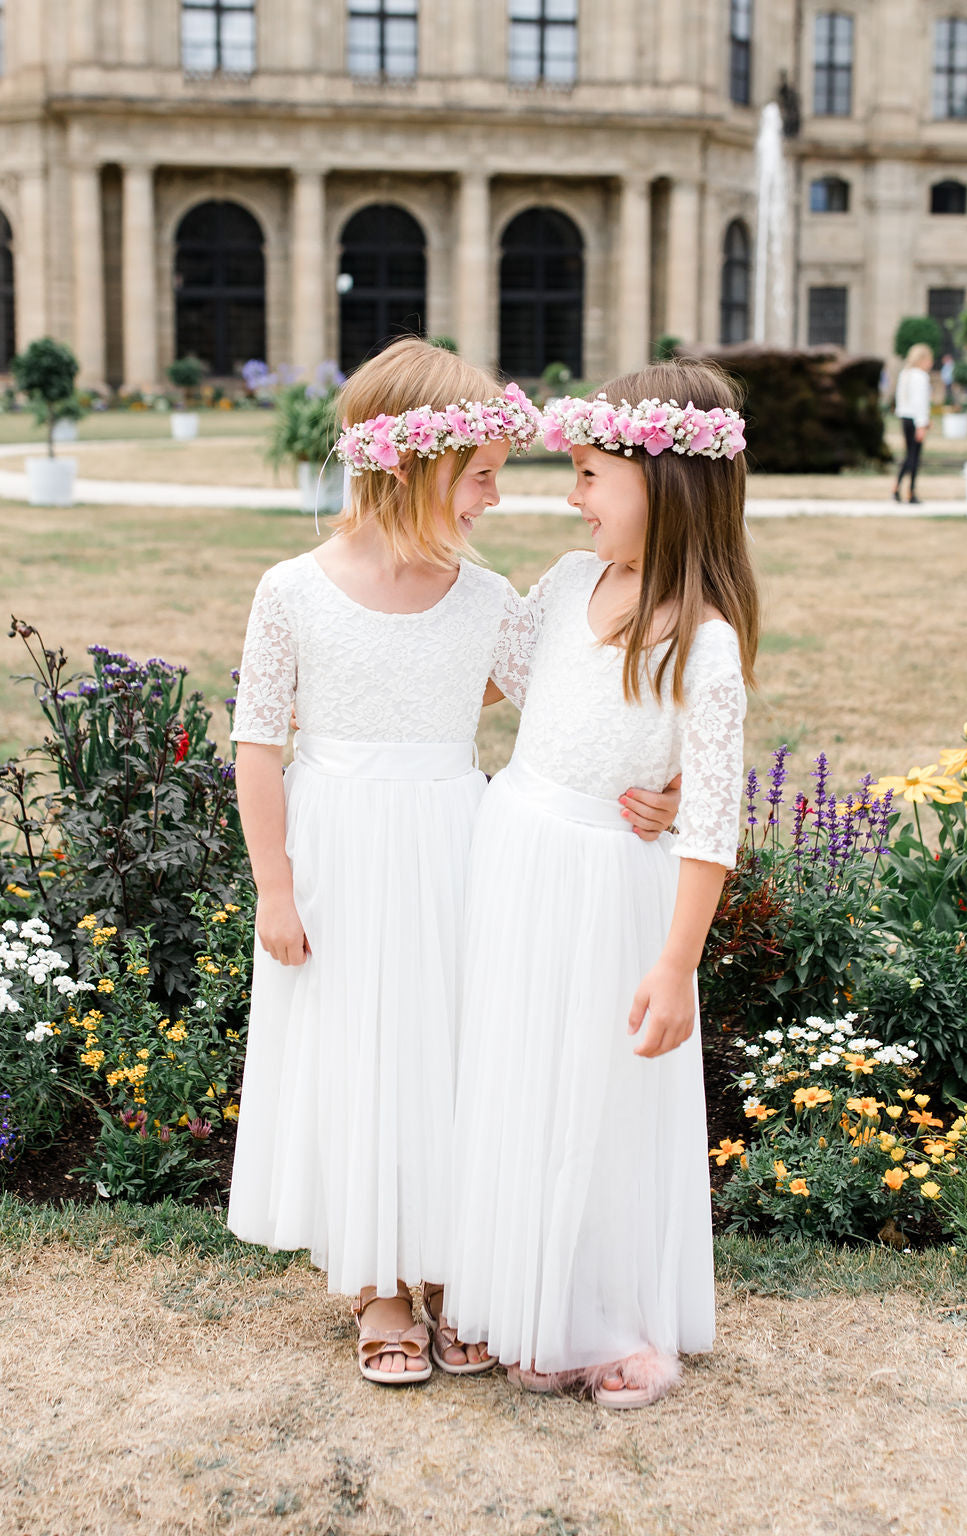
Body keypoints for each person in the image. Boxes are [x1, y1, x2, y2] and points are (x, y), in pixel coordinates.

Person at [226, 337, 680, 1387]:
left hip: (454, 843)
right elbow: (257, 741)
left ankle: (451, 1274)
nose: (492, 498)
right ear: (413, 466)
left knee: (451, 1052)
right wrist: (277, 886)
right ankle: (379, 1281)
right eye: (479, 474)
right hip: (334, 846)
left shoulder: (486, 601)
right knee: (358, 1053)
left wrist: (654, 786)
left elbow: (566, 700)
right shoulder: (293, 589)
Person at [446, 359, 759, 1410]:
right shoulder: (571, 583)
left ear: (663, 487)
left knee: (597, 1097)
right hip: (515, 852)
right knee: (518, 1079)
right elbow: (497, 681)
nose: (570, 496)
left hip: (604, 890)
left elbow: (711, 824)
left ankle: (606, 1316)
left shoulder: (704, 649)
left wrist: (675, 967)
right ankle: (522, 1295)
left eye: (588, 475)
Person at [894, 343, 933, 504]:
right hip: (916, 420)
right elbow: (920, 402)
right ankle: (911, 492)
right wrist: (922, 424)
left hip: (905, 418)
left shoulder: (905, 374)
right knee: (914, 457)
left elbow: (899, 399)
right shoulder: (920, 376)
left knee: (909, 455)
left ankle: (896, 487)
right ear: (922, 359)